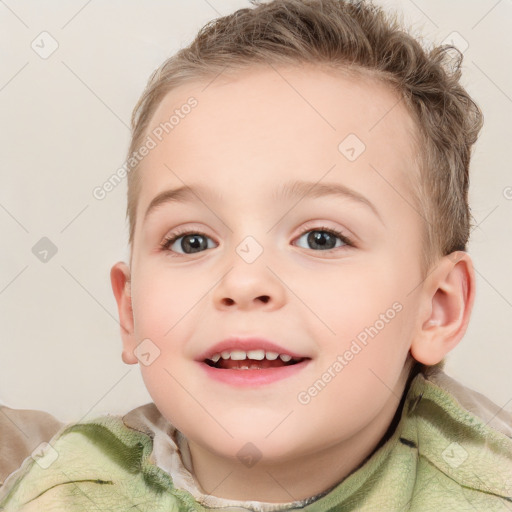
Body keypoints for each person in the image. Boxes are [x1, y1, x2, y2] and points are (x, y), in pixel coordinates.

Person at [1, 0, 511, 509]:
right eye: (191, 241)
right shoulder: (67, 493)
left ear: (437, 308)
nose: (243, 282)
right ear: (130, 311)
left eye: (321, 238)